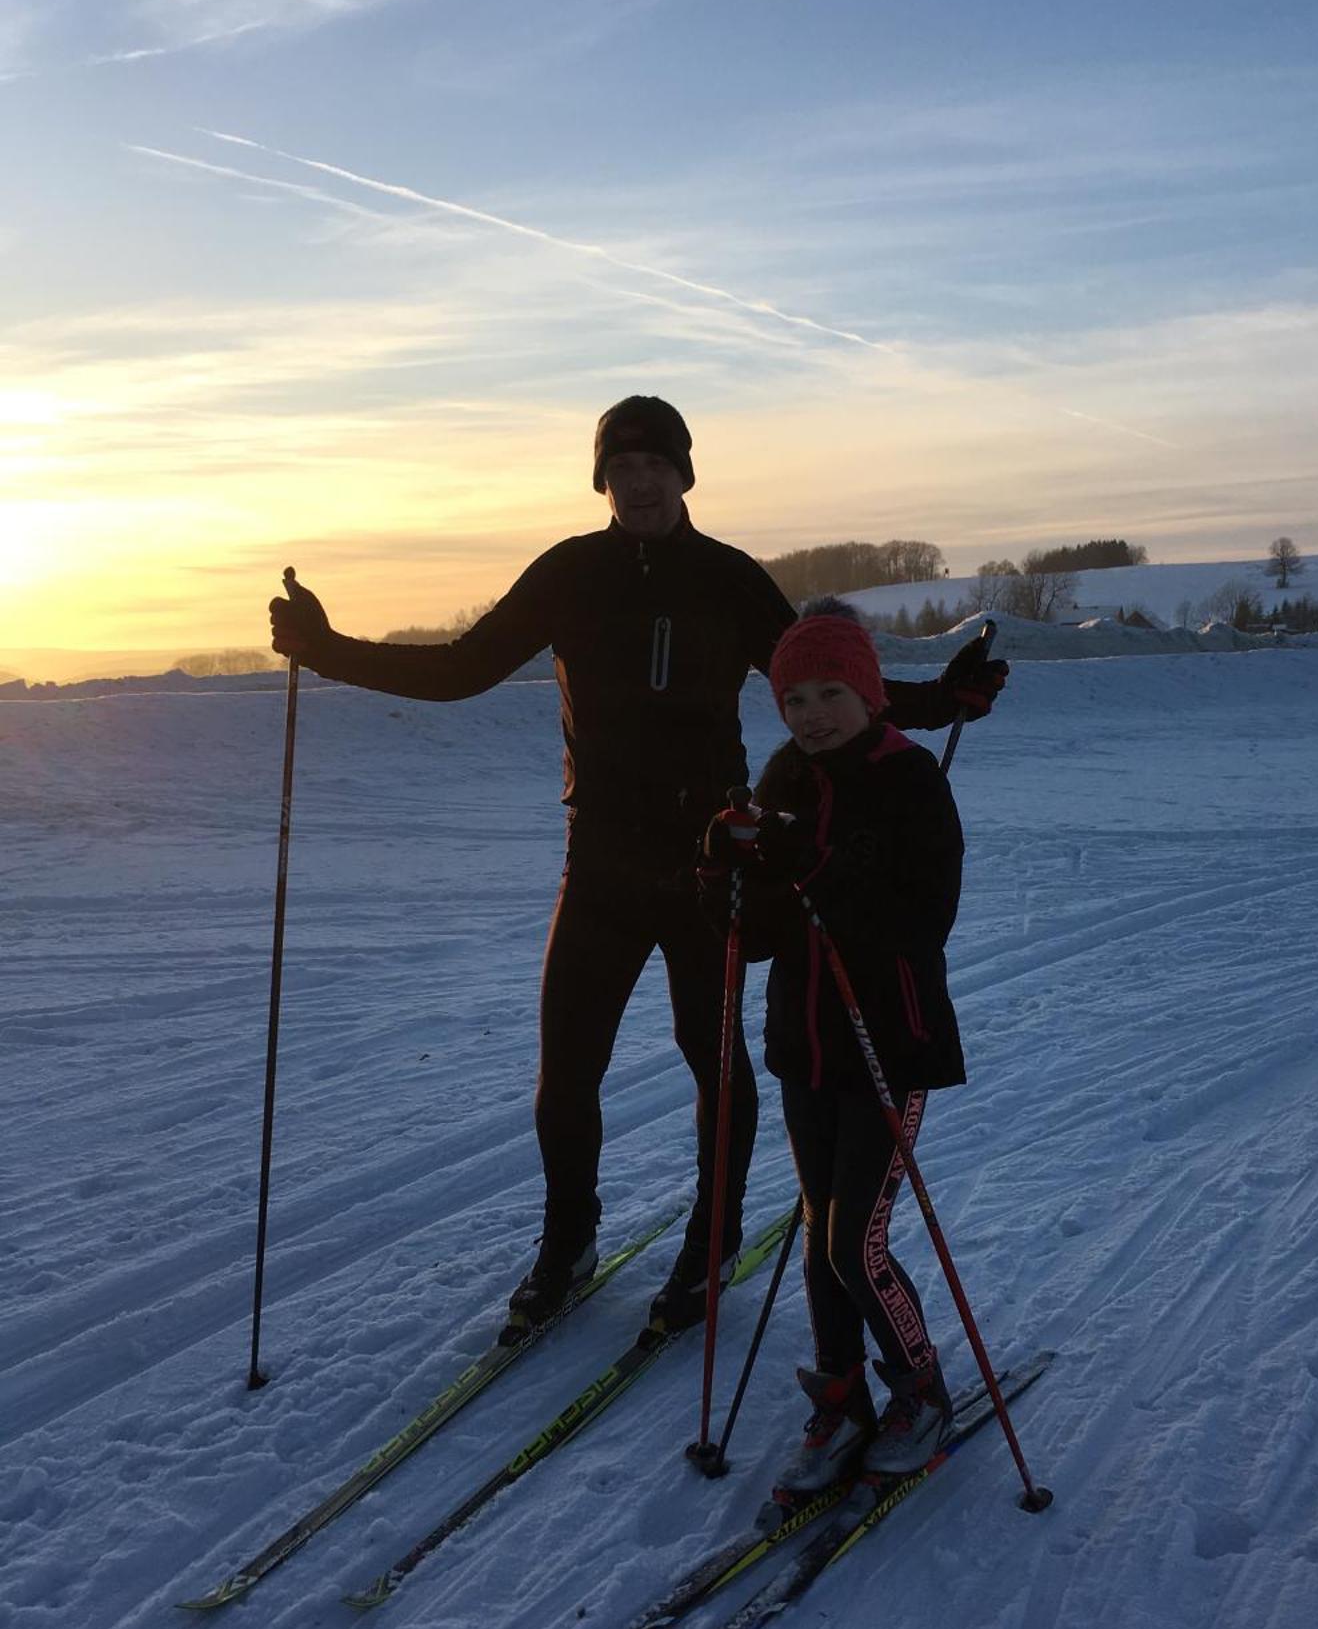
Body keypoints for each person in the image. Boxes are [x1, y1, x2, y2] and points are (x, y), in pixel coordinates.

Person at [269, 397, 1004, 1338]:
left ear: (685, 474)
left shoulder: (728, 579)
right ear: (602, 481)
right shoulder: (569, 573)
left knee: (716, 1063)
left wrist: (944, 699)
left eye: (656, 464)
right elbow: (462, 668)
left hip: (714, 859)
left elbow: (833, 688)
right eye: (621, 468)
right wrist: (325, 650)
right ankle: (569, 1239)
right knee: (565, 1069)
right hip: (603, 859)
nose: (639, 482)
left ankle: (714, 1242)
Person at [699, 602, 966, 1480]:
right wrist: (726, 870)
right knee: (820, 1235)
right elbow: (766, 932)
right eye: (793, 699)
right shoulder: (787, 776)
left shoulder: (909, 777)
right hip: (806, 1044)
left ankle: (920, 1388)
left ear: (867, 691)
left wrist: (812, 868)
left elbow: (924, 921)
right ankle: (842, 1394)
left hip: (890, 1044)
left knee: (857, 1241)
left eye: (830, 692)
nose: (812, 713)